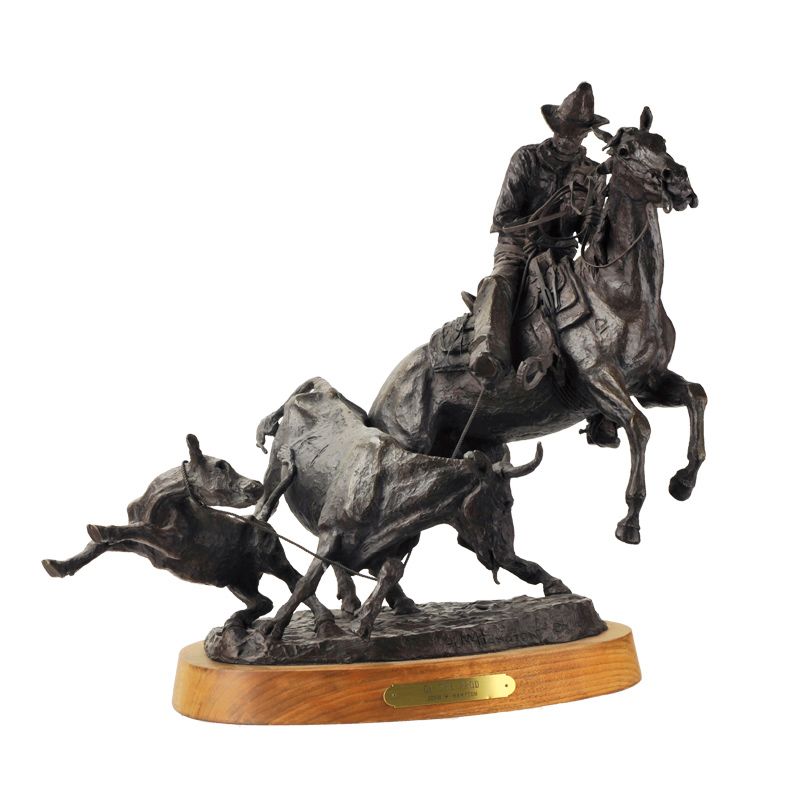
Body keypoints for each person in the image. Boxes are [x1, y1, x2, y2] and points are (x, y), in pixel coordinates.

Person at [470, 81, 607, 386]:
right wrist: (541, 222)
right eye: (564, 132)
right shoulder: (526, 159)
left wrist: (591, 222)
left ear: (585, 134)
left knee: (597, 300)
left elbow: (589, 239)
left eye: (576, 134)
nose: (569, 140)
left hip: (561, 257)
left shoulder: (592, 173)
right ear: (555, 128)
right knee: (499, 283)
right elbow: (503, 217)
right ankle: (486, 353)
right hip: (518, 249)